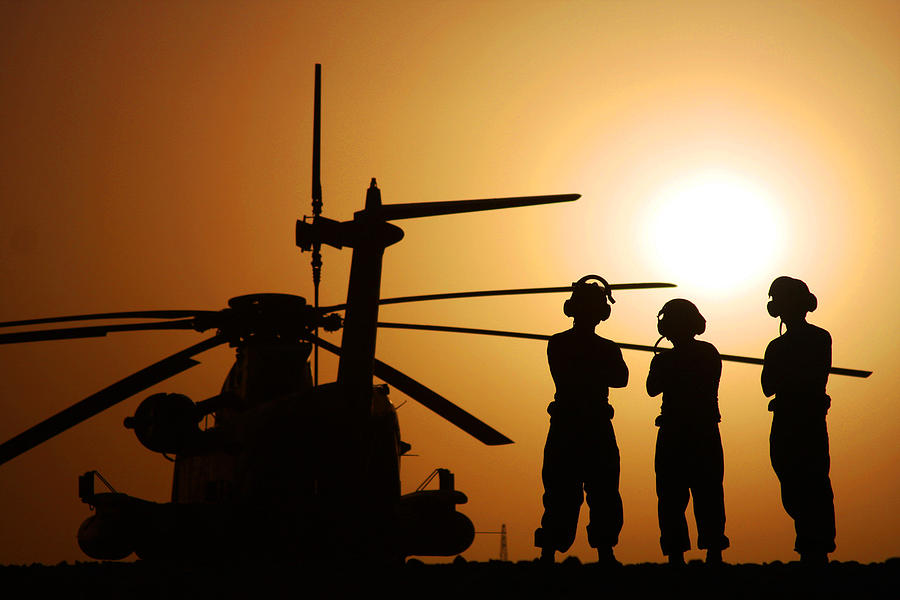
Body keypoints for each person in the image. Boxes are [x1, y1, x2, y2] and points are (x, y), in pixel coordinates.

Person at [534, 275, 628, 565]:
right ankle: (598, 552)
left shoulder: (562, 343)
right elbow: (618, 377)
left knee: (591, 492)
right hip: (585, 426)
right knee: (583, 491)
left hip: (575, 426)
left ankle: (559, 552)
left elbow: (620, 379)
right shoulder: (592, 347)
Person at [646, 299, 729, 565]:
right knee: (704, 494)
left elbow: (651, 388)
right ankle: (711, 551)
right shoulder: (708, 352)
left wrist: (663, 364)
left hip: (680, 433)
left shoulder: (671, 359)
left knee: (678, 495)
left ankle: (678, 553)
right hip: (700, 431)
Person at [762, 276, 835, 564]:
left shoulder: (779, 347)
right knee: (806, 482)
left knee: (804, 482)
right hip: (804, 419)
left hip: (796, 421)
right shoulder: (819, 338)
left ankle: (812, 547)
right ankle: (813, 545)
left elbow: (769, 385)